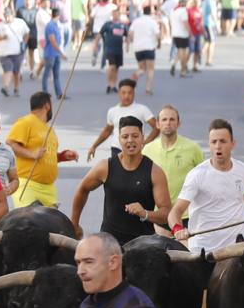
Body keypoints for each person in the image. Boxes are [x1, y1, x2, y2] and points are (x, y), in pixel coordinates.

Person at [168, 118, 244, 254]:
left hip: (237, 247)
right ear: (209, 144)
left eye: (223, 141)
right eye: (214, 142)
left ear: (233, 144)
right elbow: (175, 212)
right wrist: (178, 229)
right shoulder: (197, 175)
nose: (218, 146)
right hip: (205, 250)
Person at [70, 117, 171, 245]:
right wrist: (74, 224)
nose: (130, 140)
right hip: (109, 242)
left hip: (143, 244)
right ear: (119, 140)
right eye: (125, 137)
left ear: (142, 138)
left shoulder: (154, 172)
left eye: (135, 136)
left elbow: (166, 214)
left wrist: (145, 213)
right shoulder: (105, 166)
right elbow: (82, 189)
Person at [141, 105, 203, 230]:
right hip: (159, 216)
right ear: (157, 124)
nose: (168, 123)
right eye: (164, 120)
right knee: (160, 250)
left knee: (186, 250)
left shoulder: (193, 148)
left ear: (178, 123)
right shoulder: (147, 150)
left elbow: (204, 179)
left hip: (185, 216)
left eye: (172, 119)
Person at [5, 91, 64, 208]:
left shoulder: (50, 130)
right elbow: (11, 143)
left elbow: (47, 156)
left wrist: (63, 156)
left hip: (49, 189)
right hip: (28, 185)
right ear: (47, 106)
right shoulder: (26, 122)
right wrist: (32, 154)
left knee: (52, 225)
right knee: (28, 222)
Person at [88, 79, 158, 159]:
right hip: (117, 149)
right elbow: (107, 131)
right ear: (119, 93)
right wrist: (94, 146)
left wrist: (146, 143)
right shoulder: (112, 111)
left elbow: (157, 127)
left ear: (134, 93)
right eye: (123, 93)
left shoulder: (142, 109)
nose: (126, 96)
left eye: (129, 93)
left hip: (136, 149)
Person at [0, 9, 28, 98]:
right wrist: (2, 37)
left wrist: (24, 42)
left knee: (16, 72)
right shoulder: (0, 25)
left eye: (8, 16)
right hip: (4, 53)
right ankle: (5, 87)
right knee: (7, 70)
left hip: (17, 52)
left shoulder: (20, 22)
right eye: (5, 16)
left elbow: (27, 33)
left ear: (13, 15)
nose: (7, 18)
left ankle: (16, 88)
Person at [128, 6, 161, 95]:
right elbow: (158, 34)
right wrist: (159, 43)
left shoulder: (136, 21)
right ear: (150, 12)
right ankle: (148, 87)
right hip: (149, 47)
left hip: (138, 47)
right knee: (150, 69)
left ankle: (136, 75)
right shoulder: (152, 21)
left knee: (142, 68)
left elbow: (130, 33)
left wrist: (131, 41)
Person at [99, 6, 129, 93]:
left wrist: (127, 46)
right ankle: (109, 84)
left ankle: (113, 85)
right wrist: (95, 45)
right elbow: (100, 34)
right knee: (111, 66)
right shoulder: (108, 24)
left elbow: (126, 36)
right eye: (114, 14)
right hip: (109, 49)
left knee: (116, 68)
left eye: (117, 14)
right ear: (112, 15)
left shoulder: (122, 25)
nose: (116, 15)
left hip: (119, 50)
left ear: (119, 15)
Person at [40, 7, 64, 97]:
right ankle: (45, 92)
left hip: (55, 53)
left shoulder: (55, 25)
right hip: (50, 53)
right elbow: (52, 41)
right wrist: (61, 52)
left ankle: (59, 93)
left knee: (56, 74)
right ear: (58, 15)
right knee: (47, 73)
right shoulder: (50, 25)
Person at [168, 0, 191, 78]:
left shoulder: (173, 11)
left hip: (175, 33)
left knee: (180, 52)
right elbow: (185, 23)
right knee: (183, 53)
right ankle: (183, 70)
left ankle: (174, 64)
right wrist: (190, 32)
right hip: (183, 34)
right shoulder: (183, 11)